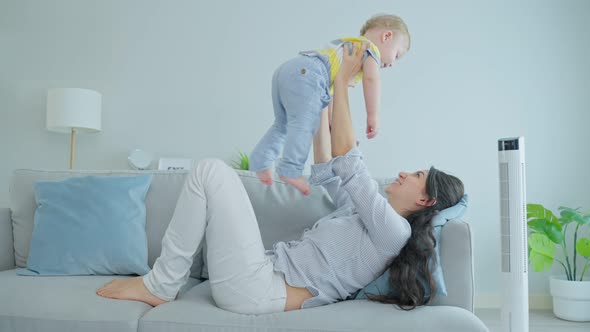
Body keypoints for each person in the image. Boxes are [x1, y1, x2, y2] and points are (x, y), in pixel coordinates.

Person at [96, 43, 464, 314]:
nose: (404, 172)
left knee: (210, 171)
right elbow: (327, 170)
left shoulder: (393, 232)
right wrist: (319, 102)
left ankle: (160, 285)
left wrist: (340, 83)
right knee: (210, 172)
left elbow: (350, 163)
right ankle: (162, 283)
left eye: (416, 175)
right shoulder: (366, 215)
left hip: (258, 291)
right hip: (258, 274)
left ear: (426, 200)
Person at [249, 14, 411, 195]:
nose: (392, 64)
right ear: (387, 36)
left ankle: (260, 161)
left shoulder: (348, 48)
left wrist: (333, 125)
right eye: (397, 55)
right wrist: (373, 115)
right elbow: (372, 80)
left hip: (288, 70)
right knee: (305, 124)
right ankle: (290, 169)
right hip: (309, 74)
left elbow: (329, 94)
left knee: (282, 125)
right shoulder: (369, 49)